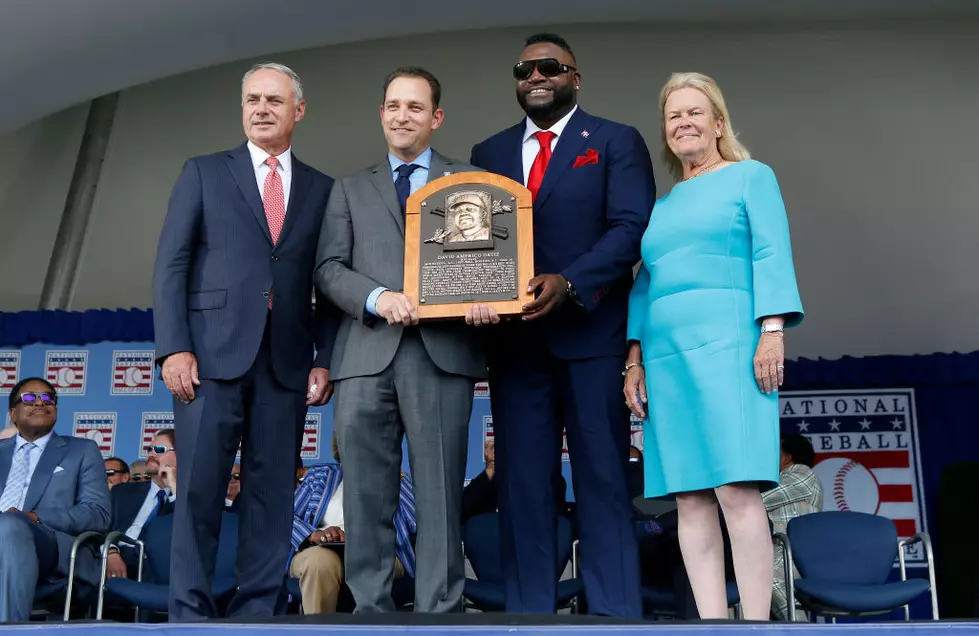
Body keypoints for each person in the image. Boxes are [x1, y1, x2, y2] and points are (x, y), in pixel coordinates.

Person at [468, 33, 655, 616]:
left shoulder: (614, 140)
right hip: (517, 346)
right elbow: (472, 248)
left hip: (591, 337)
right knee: (522, 488)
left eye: (551, 67)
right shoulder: (488, 152)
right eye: (525, 69)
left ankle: (614, 616)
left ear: (576, 77)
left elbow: (630, 229)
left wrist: (570, 282)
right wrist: (473, 294)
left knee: (602, 480)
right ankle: (529, 617)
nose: (536, 76)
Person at [153, 62, 339, 620]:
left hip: (285, 364)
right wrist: (173, 348)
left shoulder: (322, 188)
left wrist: (324, 358)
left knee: (271, 495)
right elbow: (171, 265)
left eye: (274, 101)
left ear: (298, 111)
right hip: (209, 360)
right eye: (252, 99)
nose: (261, 108)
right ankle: (189, 616)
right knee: (199, 495)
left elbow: (326, 281)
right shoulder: (204, 172)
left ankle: (256, 616)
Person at [624, 71, 804, 620]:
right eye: (674, 115)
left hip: (731, 349)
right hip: (667, 360)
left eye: (695, 112)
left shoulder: (752, 176)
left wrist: (772, 330)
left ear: (718, 123)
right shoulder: (662, 205)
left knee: (735, 491)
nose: (684, 122)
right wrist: (633, 360)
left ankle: (754, 624)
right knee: (689, 498)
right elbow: (645, 281)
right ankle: (711, 626)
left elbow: (771, 252)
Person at [314, 66, 485, 613]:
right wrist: (377, 297)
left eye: (415, 107)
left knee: (438, 494)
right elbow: (329, 269)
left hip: (443, 353)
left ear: (435, 117)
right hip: (364, 355)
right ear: (381, 114)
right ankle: (370, 610)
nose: (402, 115)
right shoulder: (348, 188)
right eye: (393, 105)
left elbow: (488, 266)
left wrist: (485, 295)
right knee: (365, 495)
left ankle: (440, 611)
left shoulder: (470, 182)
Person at [0, 378, 110, 622]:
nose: (40, 402)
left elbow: (97, 513)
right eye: (29, 398)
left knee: (9, 525)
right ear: (13, 414)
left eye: (48, 398)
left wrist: (35, 518)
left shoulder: (82, 450)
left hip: (53, 546)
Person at [289, 437, 416, 614]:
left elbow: (422, 523)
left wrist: (394, 480)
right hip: (321, 548)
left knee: (369, 561)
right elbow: (286, 518)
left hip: (378, 552)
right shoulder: (321, 476)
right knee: (319, 562)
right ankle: (319, 630)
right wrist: (313, 534)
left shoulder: (396, 481)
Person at [104, 429, 178, 582]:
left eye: (159, 450)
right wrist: (110, 552)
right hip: (115, 554)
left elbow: (188, 533)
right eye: (149, 449)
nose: (151, 454)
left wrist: (175, 488)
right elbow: (100, 526)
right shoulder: (122, 491)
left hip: (156, 565)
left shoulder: (188, 498)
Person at [764, 433, 822, 620]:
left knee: (764, 575)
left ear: (787, 458)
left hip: (788, 558)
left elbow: (754, 502)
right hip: (768, 553)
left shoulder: (801, 473)